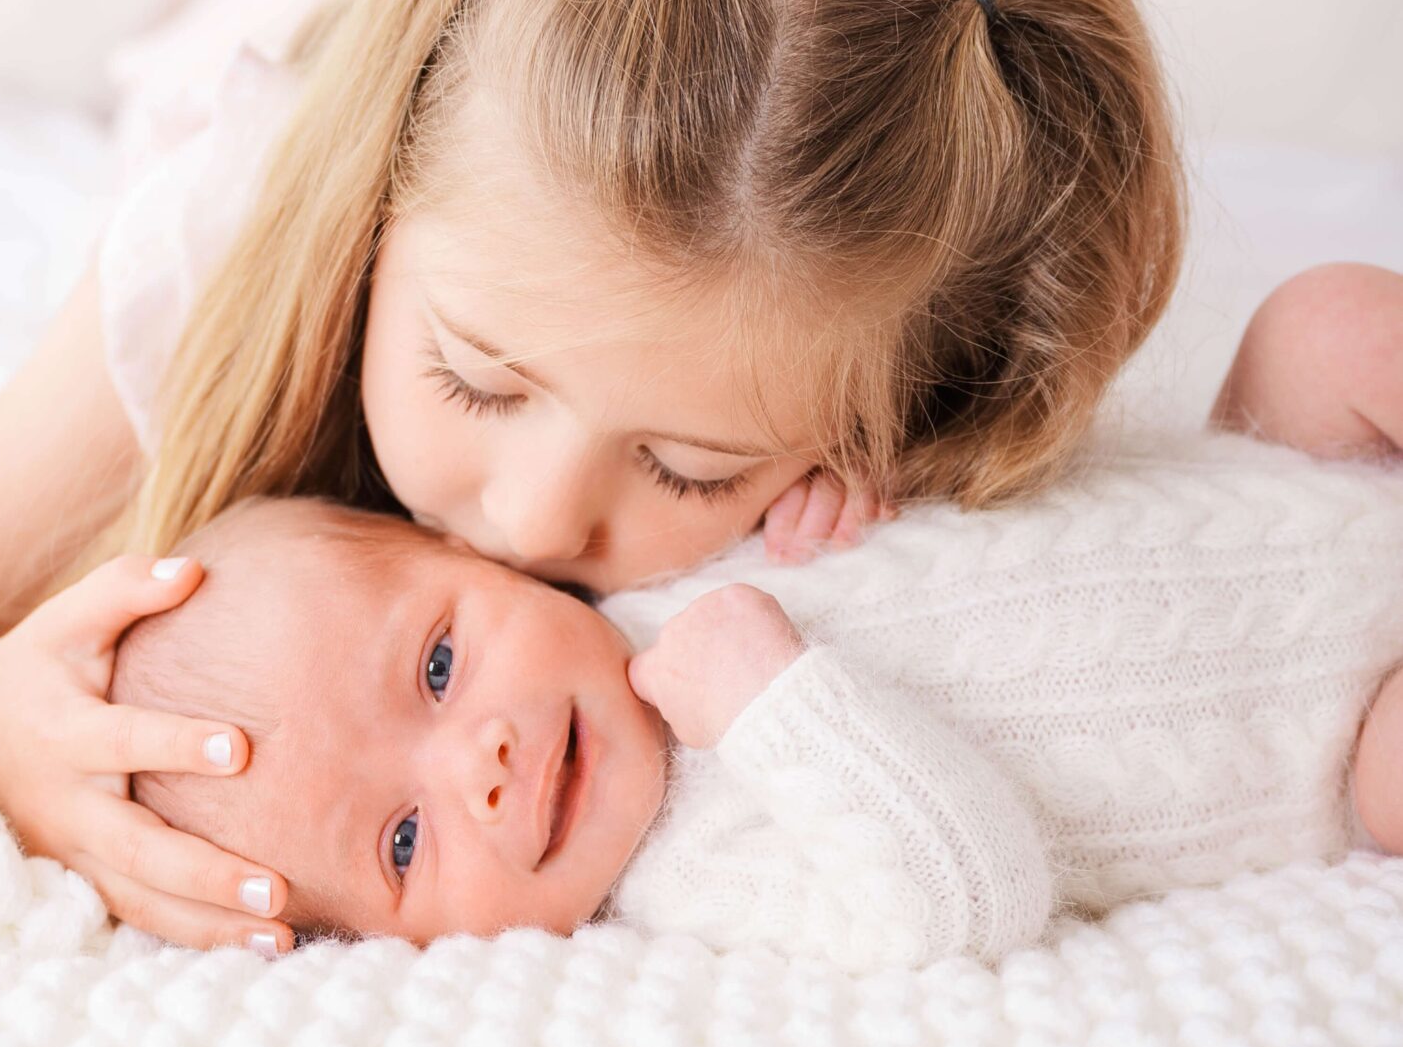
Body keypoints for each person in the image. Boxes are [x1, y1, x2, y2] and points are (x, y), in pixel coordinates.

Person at [0, 0, 1183, 956]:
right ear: (376, 213)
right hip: (324, 1)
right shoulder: (223, 257)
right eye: (477, 379)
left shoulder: (889, 304)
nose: (532, 518)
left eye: (686, 465)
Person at [111, 267, 1403, 963]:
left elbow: (889, 424)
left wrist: (858, 477)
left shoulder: (655, 540)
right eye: (402, 845)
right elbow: (967, 902)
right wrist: (786, 710)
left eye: (442, 664)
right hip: (1331, 730)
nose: (484, 765)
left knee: (1331, 322)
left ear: (474, 559)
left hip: (1265, 470)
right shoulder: (698, 875)